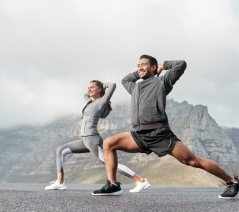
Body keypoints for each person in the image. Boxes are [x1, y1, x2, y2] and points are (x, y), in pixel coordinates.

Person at [92, 55, 239, 199]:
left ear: (154, 67)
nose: (139, 67)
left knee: (192, 161)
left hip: (159, 134)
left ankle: (233, 182)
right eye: (138, 65)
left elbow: (181, 64)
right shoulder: (134, 88)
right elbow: (126, 79)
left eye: (143, 64)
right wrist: (142, 70)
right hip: (140, 135)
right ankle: (113, 185)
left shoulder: (162, 82)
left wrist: (163, 65)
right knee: (109, 143)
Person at [45, 80, 150, 193]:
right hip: (84, 140)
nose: (89, 89)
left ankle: (141, 181)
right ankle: (60, 182)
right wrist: (92, 88)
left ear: (99, 89)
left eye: (92, 87)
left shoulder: (101, 102)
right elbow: (85, 94)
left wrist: (102, 86)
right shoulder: (90, 102)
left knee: (109, 163)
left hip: (92, 139)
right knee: (60, 150)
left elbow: (113, 85)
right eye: (88, 87)